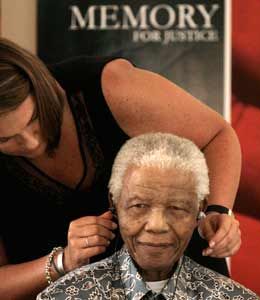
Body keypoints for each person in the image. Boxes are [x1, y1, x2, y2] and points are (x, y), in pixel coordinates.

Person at [0, 38, 241, 299]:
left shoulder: (112, 87)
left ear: (42, 84)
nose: (32, 142)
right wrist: (63, 262)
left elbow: (217, 136)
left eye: (34, 119)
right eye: (5, 139)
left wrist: (218, 210)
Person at [37, 133, 259, 300]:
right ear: (114, 203)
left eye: (177, 208)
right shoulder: (63, 296)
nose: (156, 225)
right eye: (139, 206)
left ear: (198, 209)